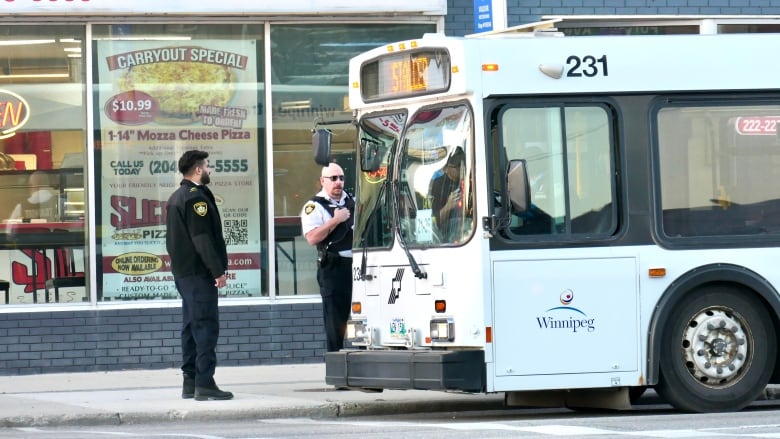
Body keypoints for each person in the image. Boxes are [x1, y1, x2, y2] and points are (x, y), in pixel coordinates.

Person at [165, 150, 233, 401]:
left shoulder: (177, 197)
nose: (210, 170)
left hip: (185, 274)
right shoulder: (196, 199)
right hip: (198, 274)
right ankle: (205, 382)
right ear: (197, 170)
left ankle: (190, 381)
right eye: (207, 166)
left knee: (191, 326)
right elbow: (202, 238)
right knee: (205, 326)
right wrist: (217, 271)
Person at [300, 162, 354, 353]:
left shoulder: (353, 201)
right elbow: (312, 238)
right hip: (334, 268)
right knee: (335, 320)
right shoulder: (314, 206)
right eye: (333, 178)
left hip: (357, 268)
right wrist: (335, 220)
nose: (338, 182)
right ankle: (337, 366)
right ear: (323, 181)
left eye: (341, 178)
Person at [427, 147, 465, 242]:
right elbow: (432, 224)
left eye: (464, 164)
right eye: (458, 165)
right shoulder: (436, 186)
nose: (462, 169)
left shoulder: (469, 182)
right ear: (446, 168)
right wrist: (448, 206)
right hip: (446, 238)